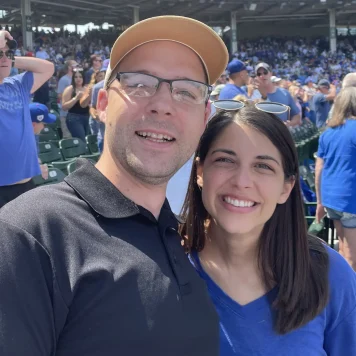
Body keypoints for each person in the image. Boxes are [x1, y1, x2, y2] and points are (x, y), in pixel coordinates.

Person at [0, 15, 228, 355]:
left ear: (205, 117)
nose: (163, 105)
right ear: (103, 104)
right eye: (139, 83)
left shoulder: (182, 234)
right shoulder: (30, 234)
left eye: (187, 91)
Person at [181, 102, 356, 355]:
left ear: (286, 187)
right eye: (225, 160)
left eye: (263, 166)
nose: (242, 182)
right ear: (200, 172)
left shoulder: (330, 275)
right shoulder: (161, 269)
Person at [0, 30, 54, 208]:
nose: (4, 58)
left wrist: (11, 58)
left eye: (7, 53)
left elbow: (48, 68)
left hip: (26, 185)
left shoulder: (17, 85)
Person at [315, 87, 356, 271]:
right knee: (351, 255)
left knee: (342, 246)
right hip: (350, 198)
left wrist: (319, 202)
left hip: (331, 198)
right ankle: (348, 297)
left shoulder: (328, 133)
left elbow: (319, 168)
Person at [61, 68, 90, 141]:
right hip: (74, 117)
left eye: (80, 77)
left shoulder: (87, 89)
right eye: (76, 77)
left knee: (88, 139)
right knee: (81, 139)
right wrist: (76, 98)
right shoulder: (70, 89)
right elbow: (64, 107)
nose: (78, 79)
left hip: (87, 116)